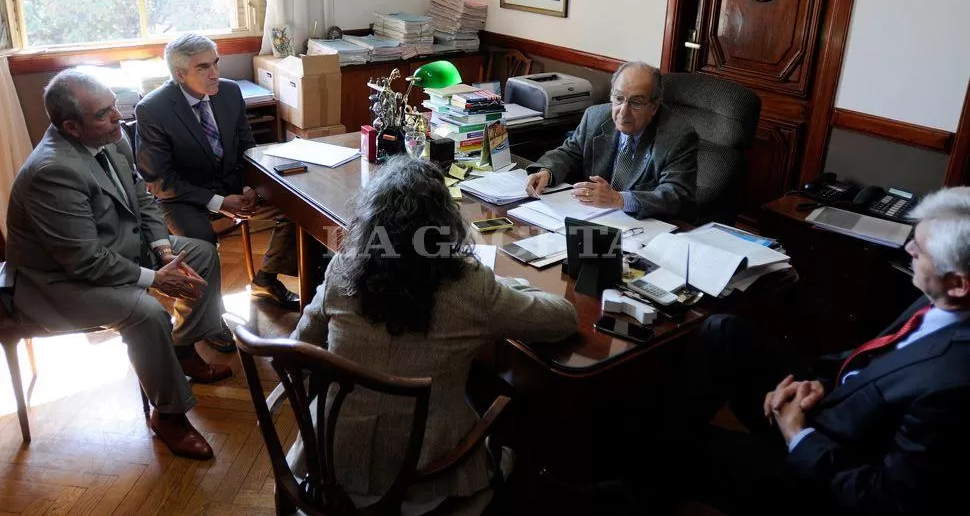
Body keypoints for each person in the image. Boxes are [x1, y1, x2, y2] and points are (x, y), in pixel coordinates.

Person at [631, 186, 970, 515]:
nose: (908, 247)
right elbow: (871, 357)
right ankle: (659, 462)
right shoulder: (941, 300)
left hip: (826, 463)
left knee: (689, 446)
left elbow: (883, 500)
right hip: (828, 401)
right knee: (722, 330)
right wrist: (817, 383)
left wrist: (799, 436)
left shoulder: (952, 386)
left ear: (957, 283)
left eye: (920, 249)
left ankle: (647, 483)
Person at [290, 155, 578, 514]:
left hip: (330, 462)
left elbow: (298, 350)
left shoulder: (343, 267)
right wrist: (507, 285)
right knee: (510, 431)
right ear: (445, 222)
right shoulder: (471, 286)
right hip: (423, 480)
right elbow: (563, 318)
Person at [5, 69, 235, 460]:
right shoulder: (53, 171)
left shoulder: (113, 137)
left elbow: (143, 199)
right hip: (57, 282)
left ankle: (182, 350)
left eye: (114, 105)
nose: (118, 116)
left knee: (199, 253)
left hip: (116, 250)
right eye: (103, 113)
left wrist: (163, 252)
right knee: (146, 313)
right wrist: (154, 279)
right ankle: (169, 416)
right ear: (72, 127)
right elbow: (84, 261)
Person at [135, 33, 299, 316]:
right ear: (180, 74)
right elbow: (159, 181)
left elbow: (248, 147)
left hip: (232, 184)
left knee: (296, 209)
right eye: (203, 68)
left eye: (215, 63)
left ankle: (266, 280)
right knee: (200, 246)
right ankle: (209, 318)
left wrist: (252, 186)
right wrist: (219, 202)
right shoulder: (153, 109)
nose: (215, 74)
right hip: (183, 197)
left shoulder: (230, 92)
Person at [524, 61, 698, 220]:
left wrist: (619, 199)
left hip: (644, 226)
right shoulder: (595, 117)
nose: (623, 111)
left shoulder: (677, 136)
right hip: (591, 218)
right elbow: (570, 152)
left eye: (636, 102)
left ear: (654, 106)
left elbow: (676, 194)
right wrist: (547, 172)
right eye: (618, 98)